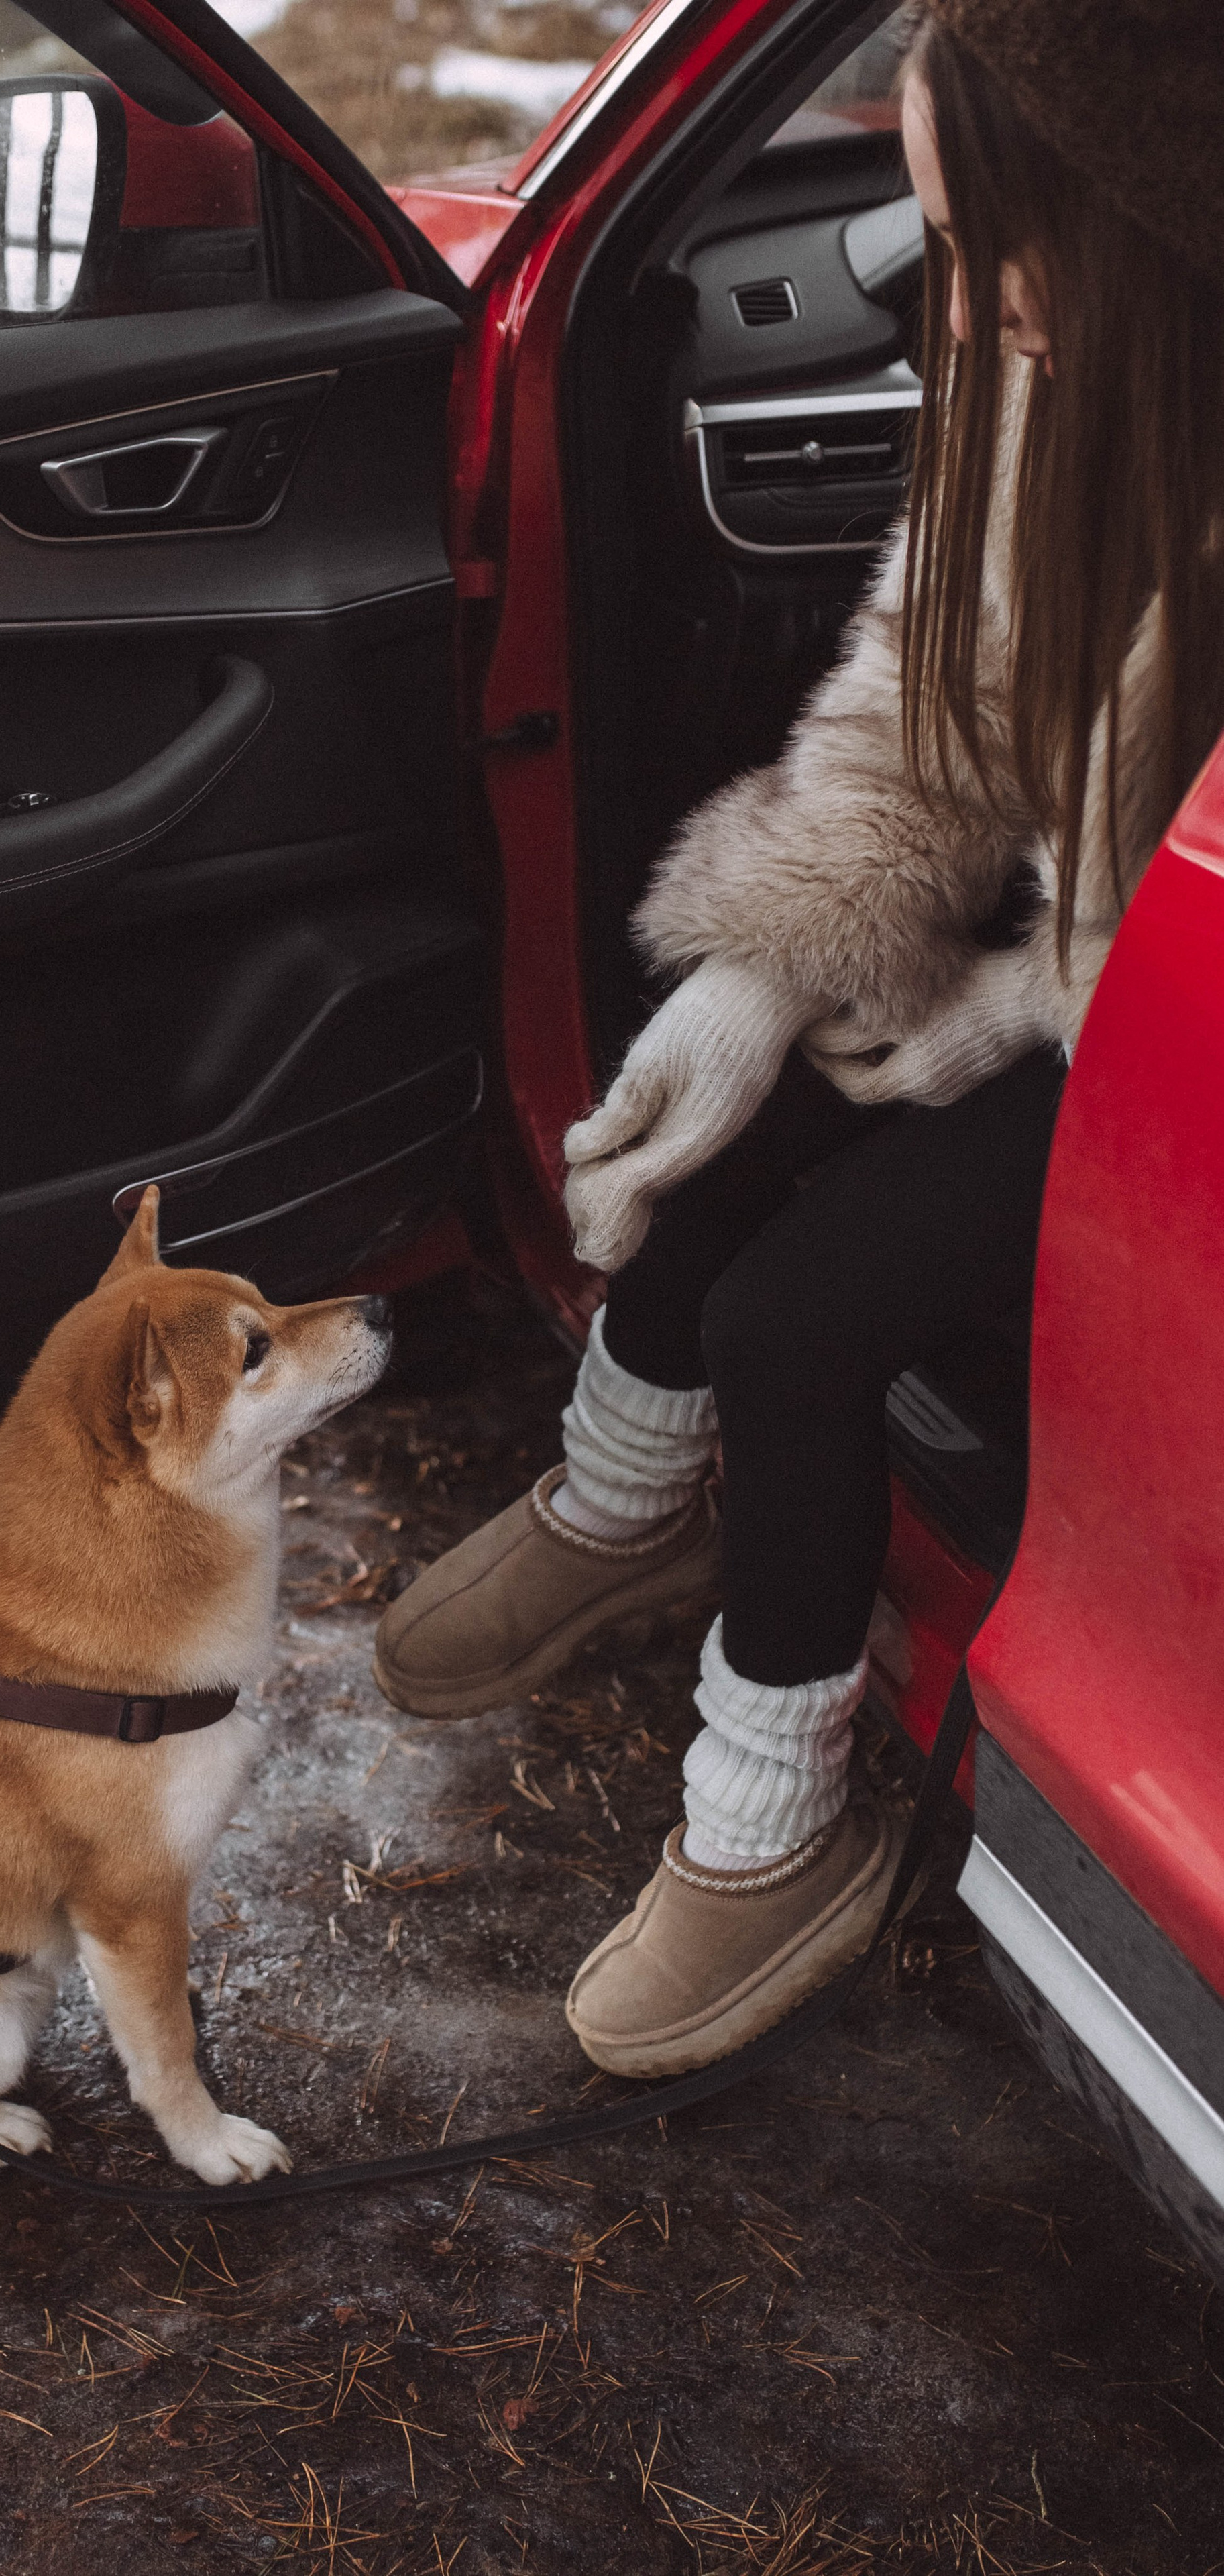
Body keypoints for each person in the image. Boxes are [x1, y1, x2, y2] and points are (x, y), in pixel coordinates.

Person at [376, 0, 1224, 2079]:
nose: (962, 299)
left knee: (802, 1317)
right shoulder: (1056, 382)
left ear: (1143, 218)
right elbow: (939, 727)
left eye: (990, 237)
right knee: (713, 1096)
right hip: (1082, 973)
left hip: (1167, 1056)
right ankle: (627, 1503)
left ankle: (773, 1841)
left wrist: (1009, 1024)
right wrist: (765, 972)